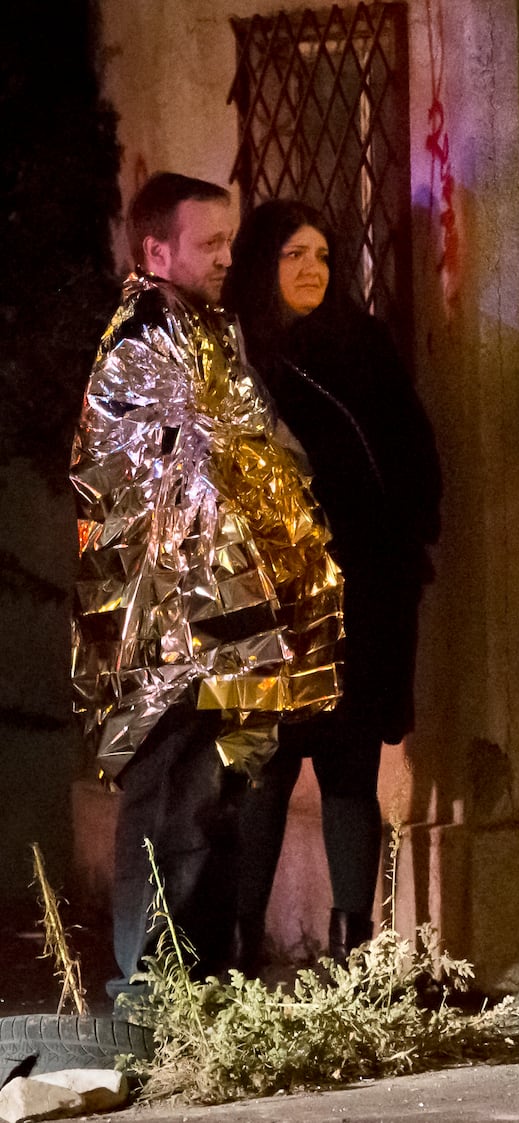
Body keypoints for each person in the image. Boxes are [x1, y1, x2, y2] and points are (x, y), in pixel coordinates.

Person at [70, 173, 343, 993]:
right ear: (158, 251)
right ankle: (156, 989)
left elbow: (263, 442)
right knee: (174, 810)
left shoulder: (205, 331)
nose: (230, 257)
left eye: (229, 241)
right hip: (173, 632)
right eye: (211, 244)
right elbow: (209, 465)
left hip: (225, 622)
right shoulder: (144, 342)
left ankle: (209, 977)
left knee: (219, 805)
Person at [222, 200, 442, 968]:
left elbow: (413, 452)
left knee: (350, 767)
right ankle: (241, 950)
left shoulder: (363, 343)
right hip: (271, 605)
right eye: (293, 254)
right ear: (260, 264)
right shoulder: (236, 355)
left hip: (365, 595)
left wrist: (402, 542)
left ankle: (356, 954)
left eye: (321, 252)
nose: (312, 268)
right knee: (265, 772)